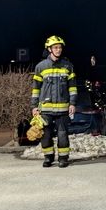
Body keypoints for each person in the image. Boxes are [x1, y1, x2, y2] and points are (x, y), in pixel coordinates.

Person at [31, 35, 77, 168]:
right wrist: (34, 106)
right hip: (45, 110)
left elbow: (72, 88)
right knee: (46, 135)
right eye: (55, 47)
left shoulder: (68, 66)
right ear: (49, 49)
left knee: (63, 135)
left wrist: (72, 103)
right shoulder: (41, 67)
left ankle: (63, 158)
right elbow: (35, 89)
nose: (58, 50)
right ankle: (48, 158)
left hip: (62, 109)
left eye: (60, 47)